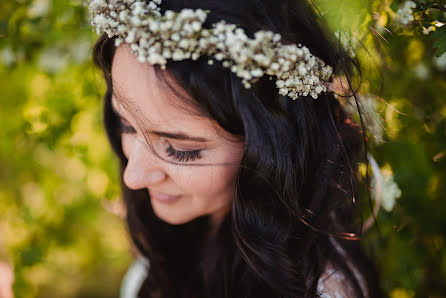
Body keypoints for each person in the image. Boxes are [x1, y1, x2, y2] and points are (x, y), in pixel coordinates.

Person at [89, 0, 382, 297]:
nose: (133, 177)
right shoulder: (176, 239)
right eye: (126, 125)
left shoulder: (317, 289)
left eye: (180, 150)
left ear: (271, 146)